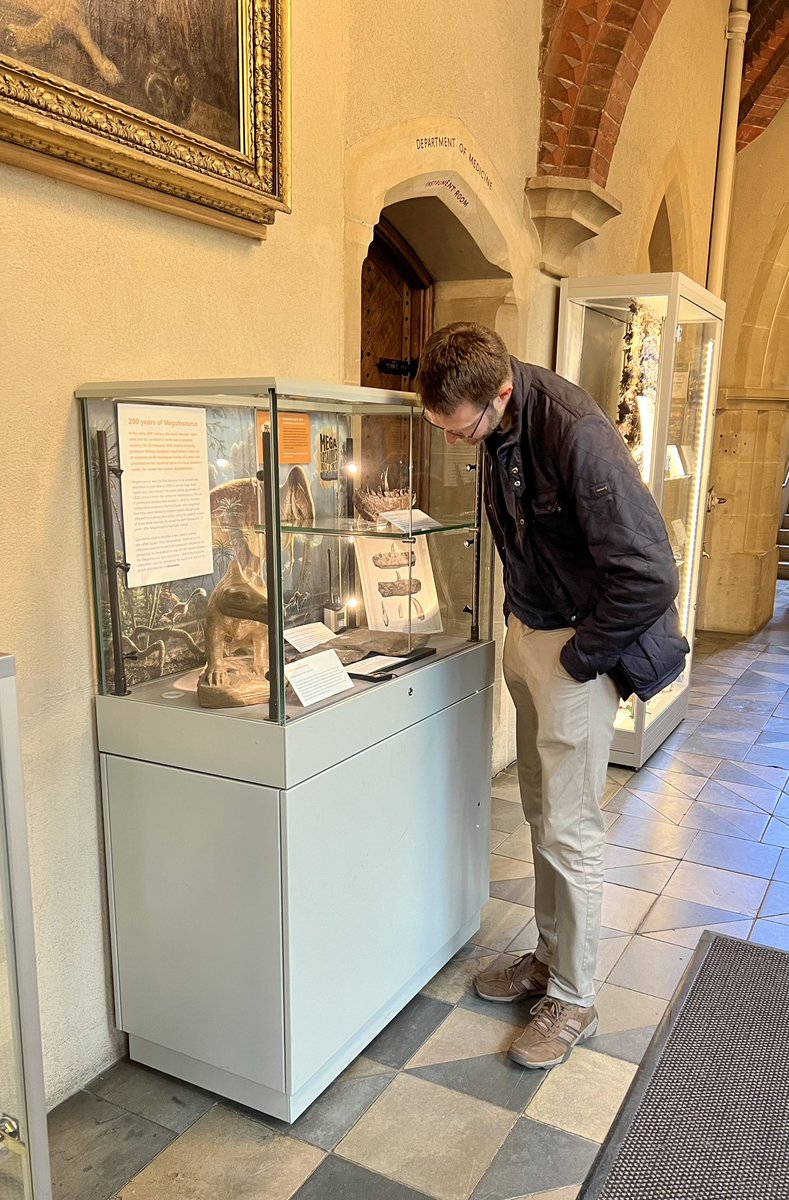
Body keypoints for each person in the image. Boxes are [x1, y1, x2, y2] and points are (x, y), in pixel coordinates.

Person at [415, 322, 688, 1070]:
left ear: (497, 394)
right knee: (539, 812)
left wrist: (579, 658)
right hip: (532, 629)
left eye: (455, 426)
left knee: (570, 829)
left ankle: (574, 996)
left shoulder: (575, 432)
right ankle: (545, 958)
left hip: (573, 647)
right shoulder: (500, 417)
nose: (449, 439)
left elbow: (650, 575)